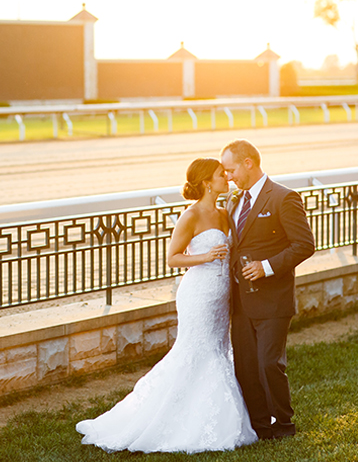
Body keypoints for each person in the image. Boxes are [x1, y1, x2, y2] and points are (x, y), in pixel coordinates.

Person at [76, 158, 258, 453]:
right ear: (206, 183)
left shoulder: (225, 213)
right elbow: (173, 258)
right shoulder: (191, 215)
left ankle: (215, 415)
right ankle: (167, 419)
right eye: (219, 175)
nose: (226, 177)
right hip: (197, 293)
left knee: (218, 349)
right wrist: (206, 256)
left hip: (221, 296)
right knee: (195, 351)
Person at [220, 139, 315, 440]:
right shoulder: (234, 200)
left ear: (249, 163)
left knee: (269, 364)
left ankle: (284, 426)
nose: (228, 176)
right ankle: (260, 426)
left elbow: (304, 245)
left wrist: (267, 266)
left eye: (231, 169)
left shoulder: (284, 197)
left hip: (273, 300)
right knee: (246, 368)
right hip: (240, 302)